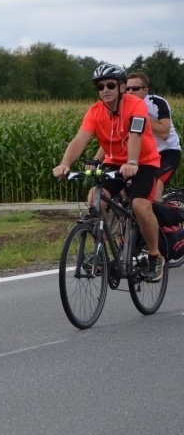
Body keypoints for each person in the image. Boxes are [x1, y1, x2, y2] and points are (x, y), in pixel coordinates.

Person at [53, 63, 164, 282]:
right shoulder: (95, 111)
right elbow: (80, 140)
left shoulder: (136, 106)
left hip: (143, 161)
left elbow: (135, 135)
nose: (105, 90)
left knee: (140, 206)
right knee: (95, 199)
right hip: (114, 162)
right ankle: (102, 252)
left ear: (122, 87)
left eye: (110, 85)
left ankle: (154, 256)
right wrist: (65, 163)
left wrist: (132, 162)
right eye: (100, 86)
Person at [125, 72, 181, 200]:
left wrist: (141, 114)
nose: (130, 92)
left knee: (155, 190)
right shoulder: (124, 106)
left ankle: (164, 219)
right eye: (127, 89)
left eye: (135, 89)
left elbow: (164, 133)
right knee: (126, 188)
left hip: (167, 152)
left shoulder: (157, 103)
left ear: (145, 90)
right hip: (145, 155)